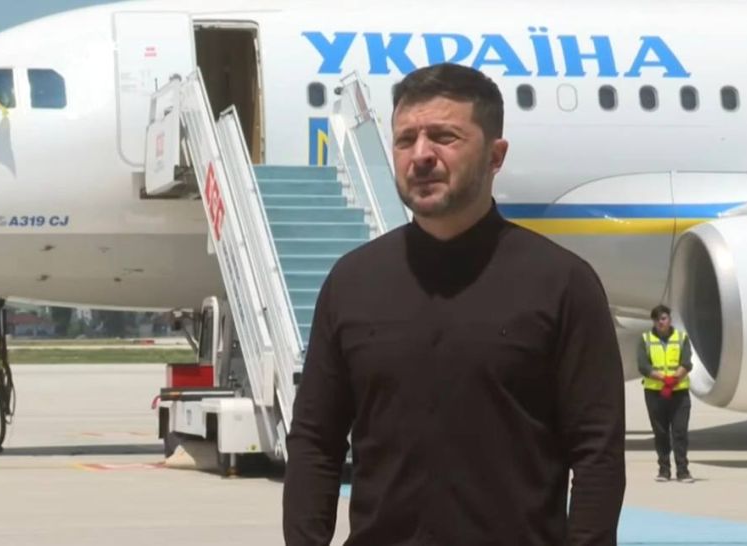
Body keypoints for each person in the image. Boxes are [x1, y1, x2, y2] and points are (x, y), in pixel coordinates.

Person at [283, 63, 625, 546]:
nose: (421, 155)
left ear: (495, 155)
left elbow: (597, 454)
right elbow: (315, 441)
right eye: (405, 140)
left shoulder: (562, 284)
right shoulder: (352, 283)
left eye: (444, 137)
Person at [637, 304, 694, 483]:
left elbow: (687, 363)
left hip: (679, 393)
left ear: (669, 319)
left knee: (680, 432)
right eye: (657, 319)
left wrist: (674, 379)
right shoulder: (646, 339)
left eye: (663, 318)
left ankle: (683, 470)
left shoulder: (681, 338)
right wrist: (663, 379)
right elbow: (643, 366)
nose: (660, 322)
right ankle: (664, 470)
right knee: (660, 433)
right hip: (655, 393)